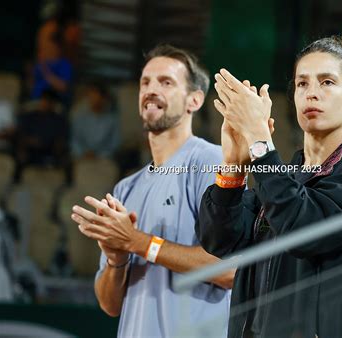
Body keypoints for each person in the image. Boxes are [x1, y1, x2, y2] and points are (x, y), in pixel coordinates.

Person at [196, 30, 342, 337]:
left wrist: (261, 143)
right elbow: (219, 240)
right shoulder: (280, 176)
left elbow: (301, 228)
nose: (311, 93)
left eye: (327, 82)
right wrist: (234, 165)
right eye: (302, 83)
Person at [70, 45, 234, 337]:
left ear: (194, 100)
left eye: (166, 82)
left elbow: (228, 271)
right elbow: (109, 305)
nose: (151, 90)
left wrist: (138, 242)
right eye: (145, 82)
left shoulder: (211, 161)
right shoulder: (126, 187)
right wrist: (116, 259)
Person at [71, 83, 120, 159]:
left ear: (104, 98)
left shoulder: (112, 120)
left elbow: (114, 144)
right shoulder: (80, 119)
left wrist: (98, 155)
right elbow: (75, 141)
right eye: (90, 96)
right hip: (83, 158)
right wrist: (83, 153)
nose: (92, 99)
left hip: (105, 159)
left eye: (96, 95)